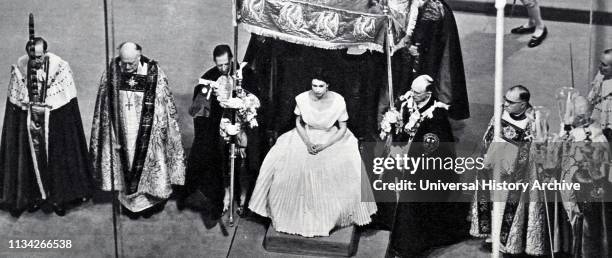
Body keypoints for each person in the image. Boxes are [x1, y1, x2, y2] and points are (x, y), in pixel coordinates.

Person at [248, 69, 377, 237]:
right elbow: (298, 123)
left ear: (328, 86)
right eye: (314, 85)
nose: (317, 89)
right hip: (305, 136)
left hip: (331, 137)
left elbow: (342, 129)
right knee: (286, 163)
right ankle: (289, 216)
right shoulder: (302, 98)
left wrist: (324, 145)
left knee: (339, 166)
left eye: (321, 86)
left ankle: (328, 217)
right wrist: (308, 142)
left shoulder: (338, 100)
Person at [0, 36, 94, 217]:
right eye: (32, 57)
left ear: (46, 53)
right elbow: (18, 96)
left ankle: (59, 198)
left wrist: (45, 102)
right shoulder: (21, 66)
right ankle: (34, 196)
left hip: (55, 121)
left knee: (58, 159)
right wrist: (28, 100)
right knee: (28, 158)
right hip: (30, 122)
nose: (36, 61)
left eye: (40, 57)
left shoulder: (59, 67)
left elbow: (64, 98)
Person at [90, 42, 186, 218]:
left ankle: (150, 203)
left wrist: (158, 127)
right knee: (126, 162)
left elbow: (164, 104)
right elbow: (103, 108)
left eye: (131, 63)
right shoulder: (111, 73)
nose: (126, 67)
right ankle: (129, 203)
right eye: (123, 62)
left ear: (139, 57)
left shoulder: (154, 73)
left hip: (147, 132)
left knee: (149, 165)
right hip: (122, 131)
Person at [380, 75, 469, 257]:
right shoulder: (407, 101)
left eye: (417, 93)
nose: (412, 94)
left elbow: (434, 146)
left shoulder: (436, 114)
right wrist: (392, 124)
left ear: (428, 93)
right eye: (412, 90)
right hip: (403, 150)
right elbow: (401, 127)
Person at [470, 85, 552, 256]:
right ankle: (494, 235)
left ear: (523, 104)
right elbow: (489, 137)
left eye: (510, 102)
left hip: (518, 174)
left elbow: (540, 147)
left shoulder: (534, 119)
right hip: (495, 168)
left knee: (512, 208)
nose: (505, 104)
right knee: (495, 204)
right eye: (505, 99)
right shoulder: (501, 112)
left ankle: (511, 242)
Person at [181, 44, 257, 220]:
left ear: (231, 59)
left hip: (243, 124)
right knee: (210, 149)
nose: (223, 68)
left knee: (250, 152)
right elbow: (200, 111)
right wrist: (219, 122)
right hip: (221, 126)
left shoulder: (246, 74)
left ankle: (245, 195)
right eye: (219, 65)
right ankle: (222, 192)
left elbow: (256, 102)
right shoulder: (210, 77)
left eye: (225, 64)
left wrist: (242, 108)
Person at [553, 95, 612, 257]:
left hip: (588, 185)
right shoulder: (570, 129)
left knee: (587, 222)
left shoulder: (596, 135)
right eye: (573, 113)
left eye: (581, 115)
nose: (576, 118)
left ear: (588, 114)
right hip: (570, 181)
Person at [588, 48, 612, 142]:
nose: (600, 66)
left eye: (604, 65)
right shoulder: (601, 76)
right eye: (600, 63)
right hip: (599, 115)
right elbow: (593, 96)